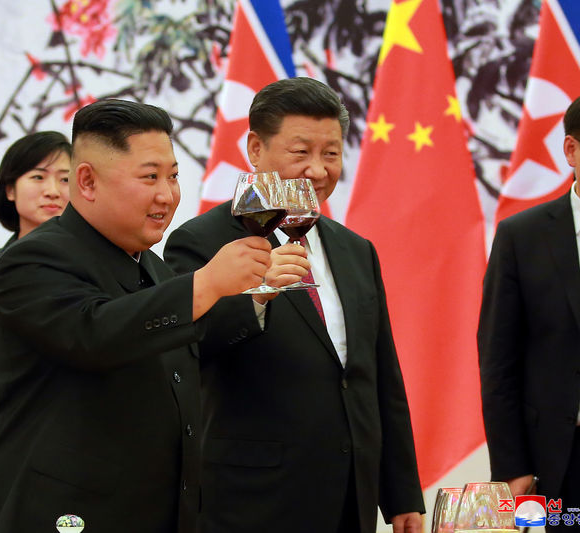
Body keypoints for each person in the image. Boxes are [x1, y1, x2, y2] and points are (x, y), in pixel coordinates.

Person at [0, 99, 271, 533]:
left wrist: (259, 295)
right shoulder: (32, 260)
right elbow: (94, 333)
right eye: (149, 177)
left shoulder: (151, 265)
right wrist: (206, 283)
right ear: (88, 182)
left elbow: (182, 346)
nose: (167, 195)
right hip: (58, 514)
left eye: (172, 176)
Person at [164, 77, 424, 533]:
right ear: (255, 149)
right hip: (253, 500)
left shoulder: (355, 249)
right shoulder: (201, 241)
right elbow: (187, 350)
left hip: (350, 497)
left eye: (331, 153)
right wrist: (258, 295)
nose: (318, 171)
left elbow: (379, 375)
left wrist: (401, 493)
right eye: (300, 153)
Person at [479, 86, 580, 528]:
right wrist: (511, 465)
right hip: (565, 458)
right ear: (572, 150)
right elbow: (499, 358)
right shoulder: (524, 237)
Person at [0, 131, 71, 435]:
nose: (53, 191)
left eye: (65, 179)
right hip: (11, 448)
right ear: (10, 189)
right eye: (38, 177)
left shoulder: (99, 266)